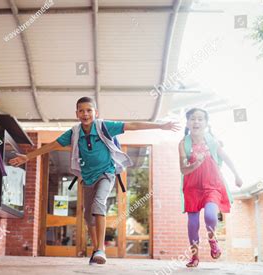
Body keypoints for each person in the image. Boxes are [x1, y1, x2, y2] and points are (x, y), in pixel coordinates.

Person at [10, 96, 180, 265]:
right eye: (81, 111)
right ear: (76, 113)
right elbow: (52, 145)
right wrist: (27, 156)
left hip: (107, 173)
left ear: (96, 113)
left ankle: (101, 249)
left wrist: (160, 125)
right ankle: (95, 250)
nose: (85, 114)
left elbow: (133, 125)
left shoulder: (104, 126)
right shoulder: (74, 133)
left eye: (89, 110)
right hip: (87, 178)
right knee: (87, 216)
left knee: (99, 204)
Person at [179, 108, 243, 267]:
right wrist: (196, 163)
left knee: (211, 216)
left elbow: (225, 157)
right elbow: (183, 169)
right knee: (193, 224)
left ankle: (212, 239)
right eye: (193, 119)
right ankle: (194, 257)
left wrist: (236, 174)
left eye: (200, 119)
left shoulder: (212, 142)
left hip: (212, 186)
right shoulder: (183, 144)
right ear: (187, 123)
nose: (196, 122)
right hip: (192, 188)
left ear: (206, 123)